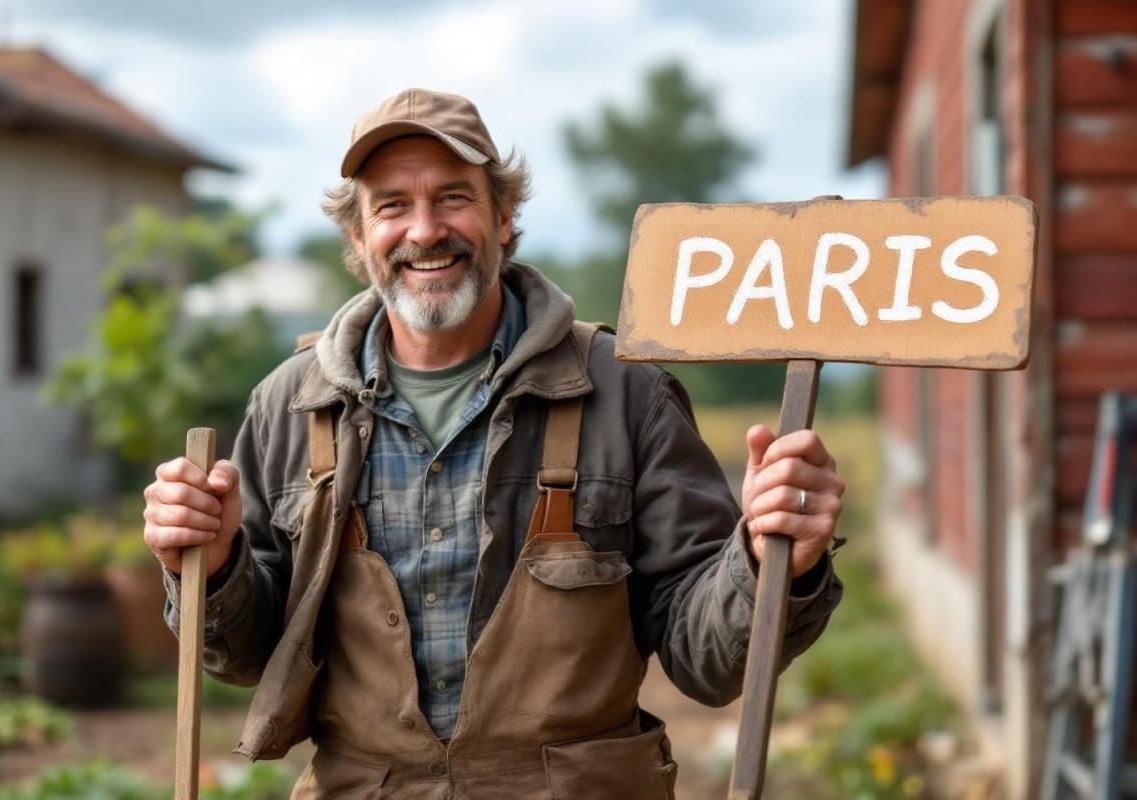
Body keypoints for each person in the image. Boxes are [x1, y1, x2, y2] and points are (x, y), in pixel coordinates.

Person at [144, 88, 845, 799]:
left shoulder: (628, 396)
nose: (424, 231)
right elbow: (251, 657)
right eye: (391, 205)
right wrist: (215, 560)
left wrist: (768, 554)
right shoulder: (289, 406)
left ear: (504, 216)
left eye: (453, 198)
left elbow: (710, 662)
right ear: (357, 237)